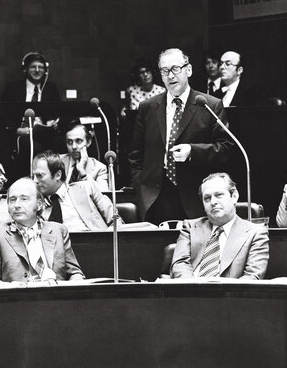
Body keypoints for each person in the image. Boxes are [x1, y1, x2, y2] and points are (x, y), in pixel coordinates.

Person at [129, 47, 233, 224]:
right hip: (155, 197)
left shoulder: (209, 105)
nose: (170, 76)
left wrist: (193, 152)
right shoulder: (147, 107)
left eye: (175, 69)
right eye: (164, 71)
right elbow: (135, 155)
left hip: (195, 196)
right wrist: (141, 187)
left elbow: (225, 148)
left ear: (189, 70)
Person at [0, 177, 85, 283]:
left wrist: (74, 286)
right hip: (17, 299)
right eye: (12, 200)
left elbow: (75, 273)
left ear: (39, 204)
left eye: (24, 199)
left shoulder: (58, 230)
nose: (17, 205)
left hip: (56, 297)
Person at [170, 173, 269, 279]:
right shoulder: (190, 227)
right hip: (190, 291)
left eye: (219, 195)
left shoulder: (256, 232)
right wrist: (195, 289)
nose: (213, 202)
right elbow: (179, 264)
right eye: (207, 198)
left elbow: (252, 276)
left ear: (234, 196)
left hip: (230, 293)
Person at [1, 52, 62, 175]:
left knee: (59, 143)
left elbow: (57, 110)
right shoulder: (13, 88)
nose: (37, 70)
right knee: (31, 146)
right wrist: (17, 130)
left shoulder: (51, 88)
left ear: (45, 70)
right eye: (33, 67)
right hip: (22, 134)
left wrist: (53, 122)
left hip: (45, 133)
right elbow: (3, 115)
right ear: (25, 69)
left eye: (41, 67)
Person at [33, 150, 123, 231]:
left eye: (39, 175)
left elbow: (116, 220)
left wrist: (105, 239)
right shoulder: (36, 203)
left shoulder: (86, 188)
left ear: (57, 175)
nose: (35, 181)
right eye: (34, 176)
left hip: (95, 244)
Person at [60, 120, 109, 191]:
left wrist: (83, 173)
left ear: (88, 142)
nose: (73, 146)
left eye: (78, 141)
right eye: (69, 142)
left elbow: (104, 195)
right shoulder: (57, 161)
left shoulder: (99, 168)